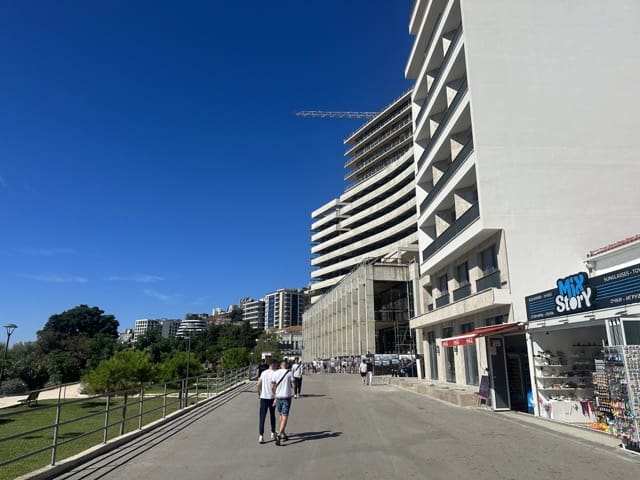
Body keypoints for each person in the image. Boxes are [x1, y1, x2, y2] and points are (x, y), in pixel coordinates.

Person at [272, 360, 295, 446]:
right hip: (286, 397)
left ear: (281, 365)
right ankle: (279, 435)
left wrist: (275, 395)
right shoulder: (289, 373)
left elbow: (272, 386)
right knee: (285, 416)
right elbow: (293, 386)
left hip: (278, 397)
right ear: (286, 365)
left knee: (281, 415)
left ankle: (283, 433)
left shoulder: (276, 373)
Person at [256, 360, 277, 444]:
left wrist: (259, 393)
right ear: (274, 365)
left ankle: (261, 436)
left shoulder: (263, 373)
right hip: (271, 397)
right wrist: (276, 395)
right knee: (272, 415)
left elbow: (258, 384)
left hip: (263, 397)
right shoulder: (275, 373)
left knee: (262, 417)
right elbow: (274, 386)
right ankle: (272, 432)